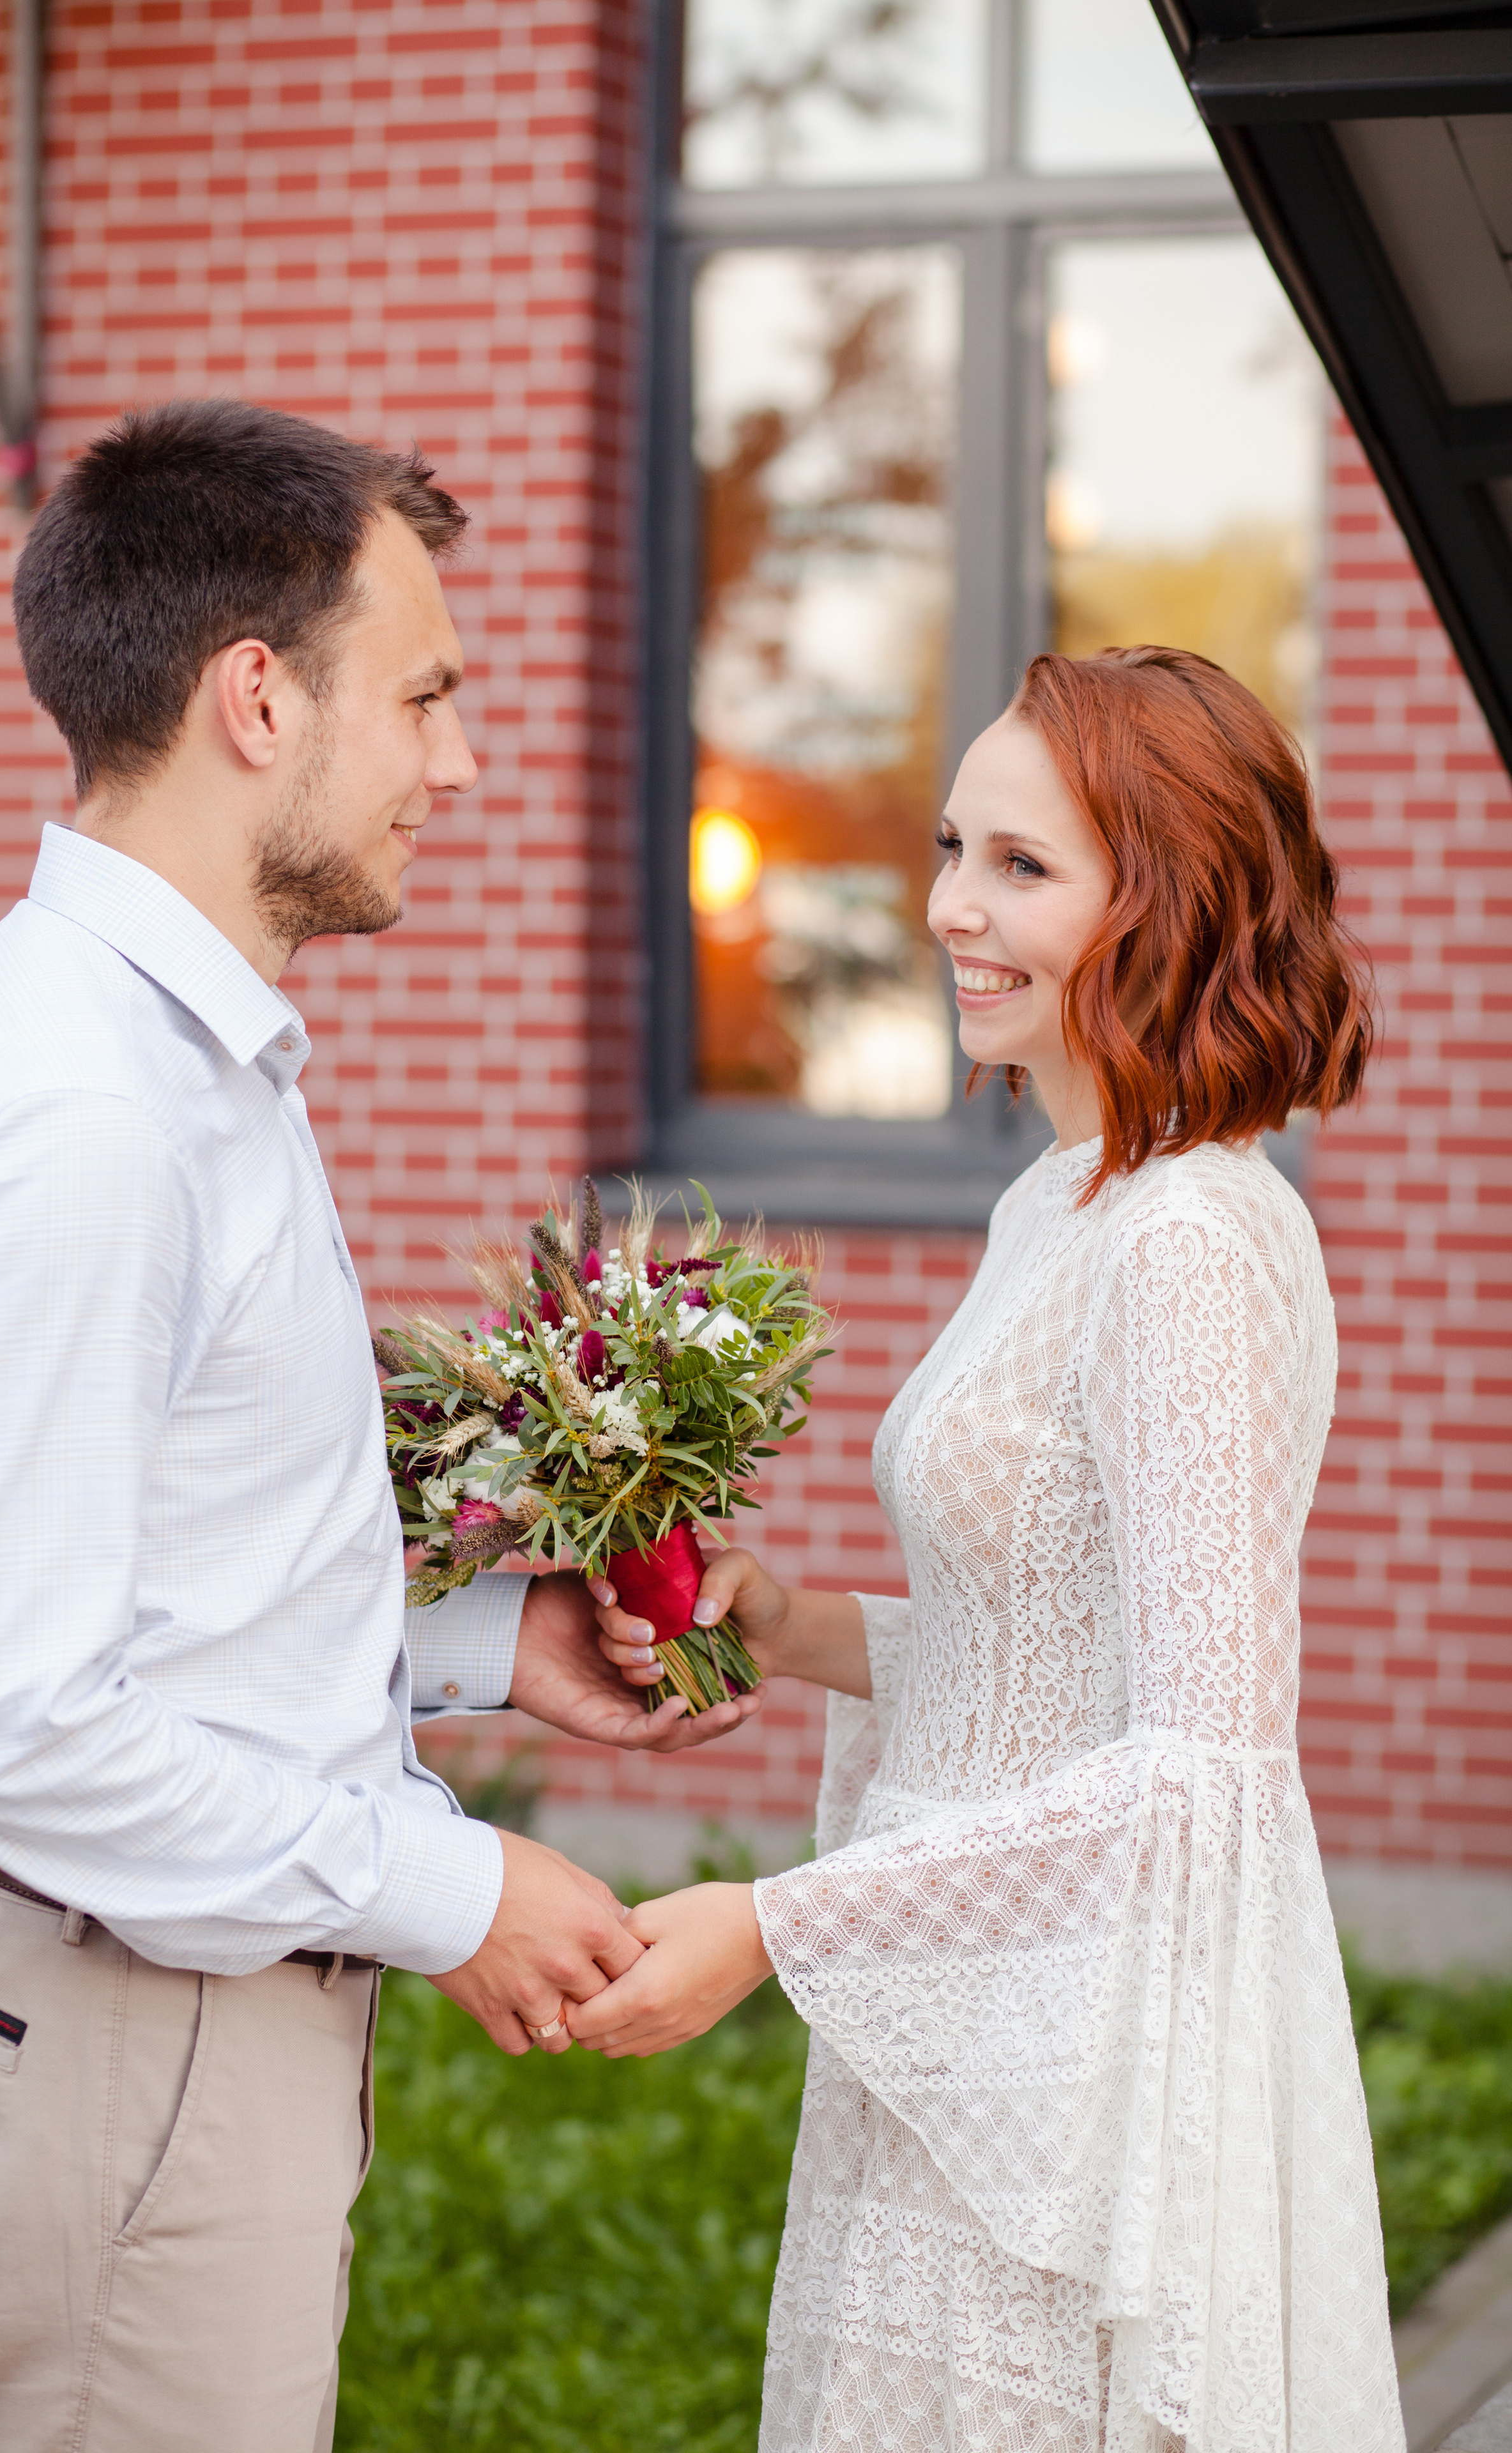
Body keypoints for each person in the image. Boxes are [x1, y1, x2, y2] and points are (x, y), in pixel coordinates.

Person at [0, 399, 759, 2453]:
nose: (461, 762)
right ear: (255, 697)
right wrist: (450, 1889)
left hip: (163, 2032)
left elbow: (164, 1572)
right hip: (133, 2044)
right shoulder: (93, 1113)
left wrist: (467, 1654)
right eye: (430, 696)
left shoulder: (181, 1062)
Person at [579, 647, 1406, 2453]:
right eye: (955, 848)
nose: (953, 905)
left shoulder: (1184, 1237)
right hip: (966, 2027)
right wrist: (793, 1627)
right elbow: (1056, 1643)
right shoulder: (1065, 1195)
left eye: (1025, 867)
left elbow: (1197, 1772)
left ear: (1169, 894)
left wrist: (776, 1927)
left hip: (1078, 2065)